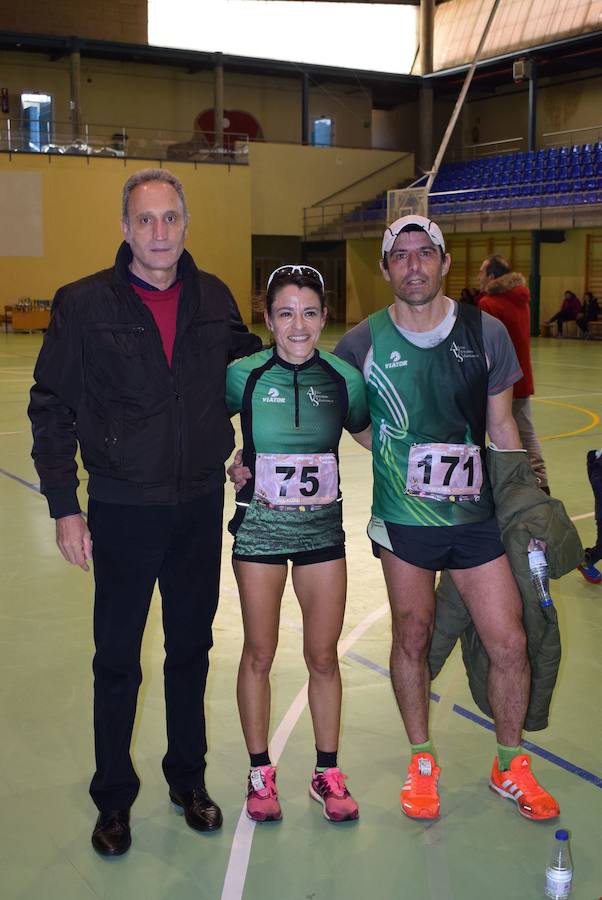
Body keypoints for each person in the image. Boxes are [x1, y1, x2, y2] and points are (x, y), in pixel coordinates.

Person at [28, 168, 261, 856]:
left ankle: (187, 779)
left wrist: (255, 450)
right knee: (117, 661)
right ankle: (113, 798)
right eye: (145, 220)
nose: (159, 232)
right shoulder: (85, 304)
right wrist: (66, 507)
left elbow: (250, 383)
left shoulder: (215, 298)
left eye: (170, 218)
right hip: (123, 508)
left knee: (190, 651)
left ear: (185, 225)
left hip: (197, 506)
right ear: (125, 229)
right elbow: (51, 406)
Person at [334, 215, 560, 822]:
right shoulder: (361, 343)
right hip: (403, 524)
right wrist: (393, 457)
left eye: (424, 253)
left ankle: (509, 763)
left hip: (476, 519)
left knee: (509, 641)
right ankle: (422, 758)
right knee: (411, 637)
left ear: (444, 262)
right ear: (386, 269)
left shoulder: (486, 333)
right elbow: (351, 418)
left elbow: (503, 424)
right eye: (400, 255)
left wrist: (526, 493)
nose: (413, 265)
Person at [225, 265, 370, 823]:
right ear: (268, 318)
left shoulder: (342, 378)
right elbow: (207, 430)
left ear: (324, 316)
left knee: (323, 656)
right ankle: (260, 771)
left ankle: (326, 772)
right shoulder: (243, 375)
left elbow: (367, 431)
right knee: (258, 652)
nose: (298, 325)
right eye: (286, 313)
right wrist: (229, 462)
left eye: (309, 312)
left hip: (321, 536)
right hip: (259, 530)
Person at [478, 255, 549, 493]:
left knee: (499, 435)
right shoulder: (520, 299)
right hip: (521, 377)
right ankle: (540, 483)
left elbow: (485, 348)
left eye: (482, 272)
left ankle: (509, 487)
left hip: (499, 383)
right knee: (526, 434)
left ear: (491, 276)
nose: (478, 277)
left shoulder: (489, 304)